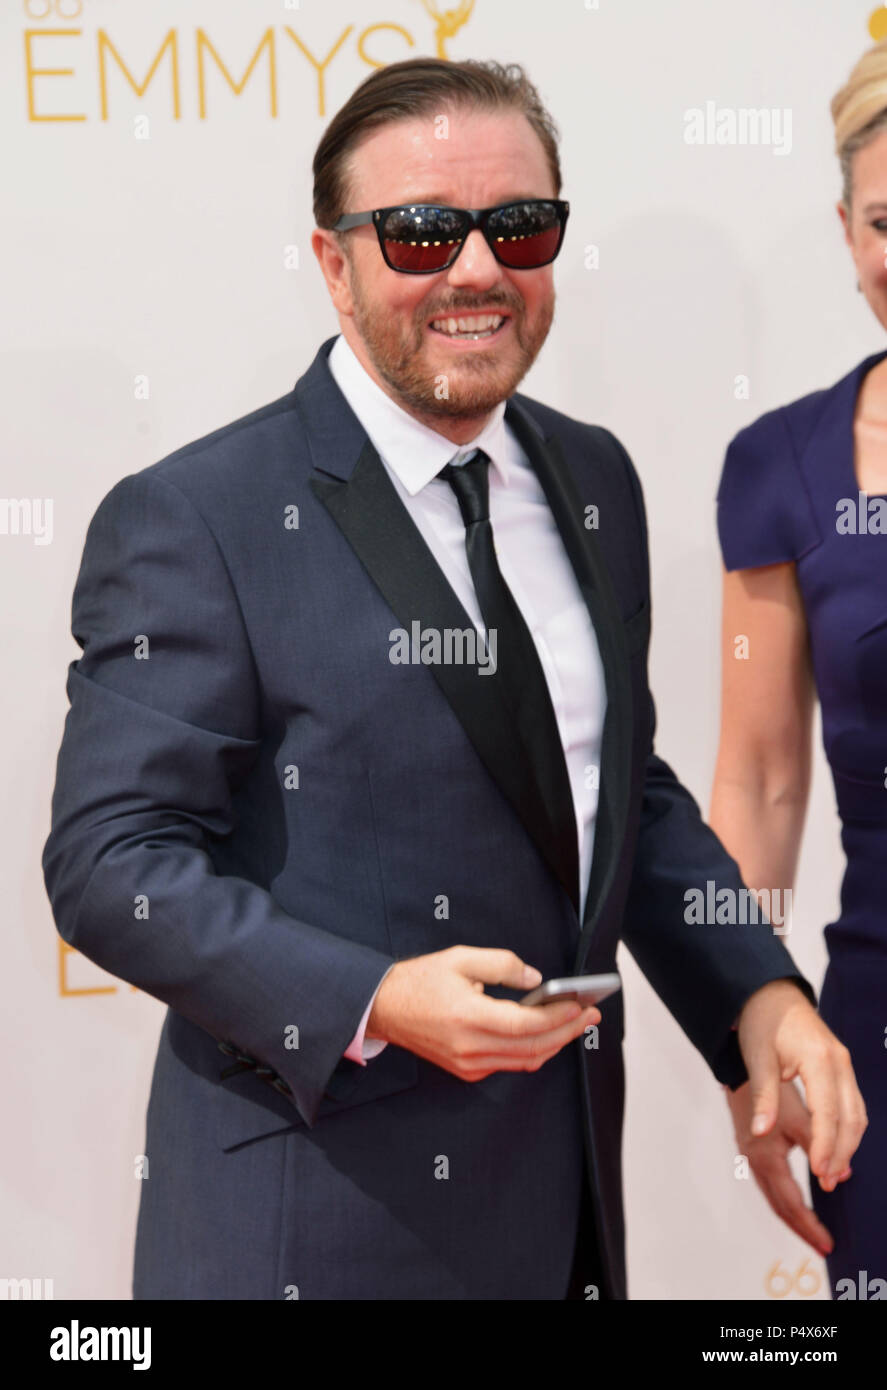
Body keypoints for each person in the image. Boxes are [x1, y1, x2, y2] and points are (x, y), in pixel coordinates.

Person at [43, 57, 865, 1302]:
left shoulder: (593, 480)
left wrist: (755, 993)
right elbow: (111, 863)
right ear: (334, 262)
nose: (475, 269)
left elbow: (614, 790)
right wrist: (370, 996)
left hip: (564, 1221)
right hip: (311, 1232)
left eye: (517, 227)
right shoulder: (198, 517)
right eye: (422, 233)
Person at [711, 38, 887, 1300]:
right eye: (885, 220)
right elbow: (762, 783)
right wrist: (744, 1020)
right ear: (842, 229)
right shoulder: (784, 461)